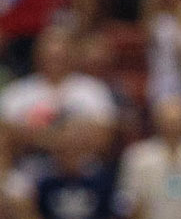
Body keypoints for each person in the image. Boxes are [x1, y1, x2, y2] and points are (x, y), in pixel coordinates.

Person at [0, 19, 116, 153]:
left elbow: (105, 135)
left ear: (72, 55)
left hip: (84, 167)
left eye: (60, 56)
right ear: (37, 55)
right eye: (50, 55)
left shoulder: (92, 89)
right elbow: (4, 133)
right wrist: (53, 139)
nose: (55, 59)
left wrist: (61, 140)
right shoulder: (17, 92)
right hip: (29, 166)